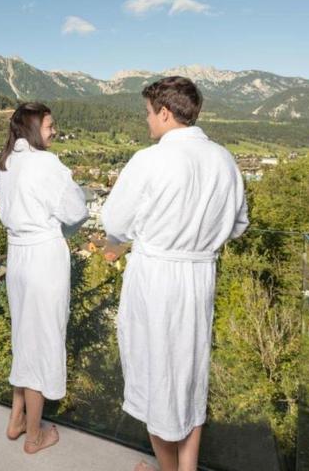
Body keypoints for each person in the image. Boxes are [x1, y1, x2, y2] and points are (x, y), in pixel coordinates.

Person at [100, 77, 249, 471]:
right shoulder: (224, 159)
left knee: (157, 378)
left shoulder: (149, 160)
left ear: (164, 112)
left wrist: (142, 236)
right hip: (200, 278)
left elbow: (115, 221)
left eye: (148, 113)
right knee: (189, 375)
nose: (147, 121)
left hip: (157, 279)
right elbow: (239, 224)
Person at [0, 102, 89, 454]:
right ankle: (34, 437)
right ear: (34, 128)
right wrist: (62, 224)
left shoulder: (6, 162)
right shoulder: (45, 164)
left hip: (17, 258)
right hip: (43, 260)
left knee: (24, 338)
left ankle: (16, 419)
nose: (54, 130)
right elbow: (76, 210)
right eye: (50, 125)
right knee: (40, 344)